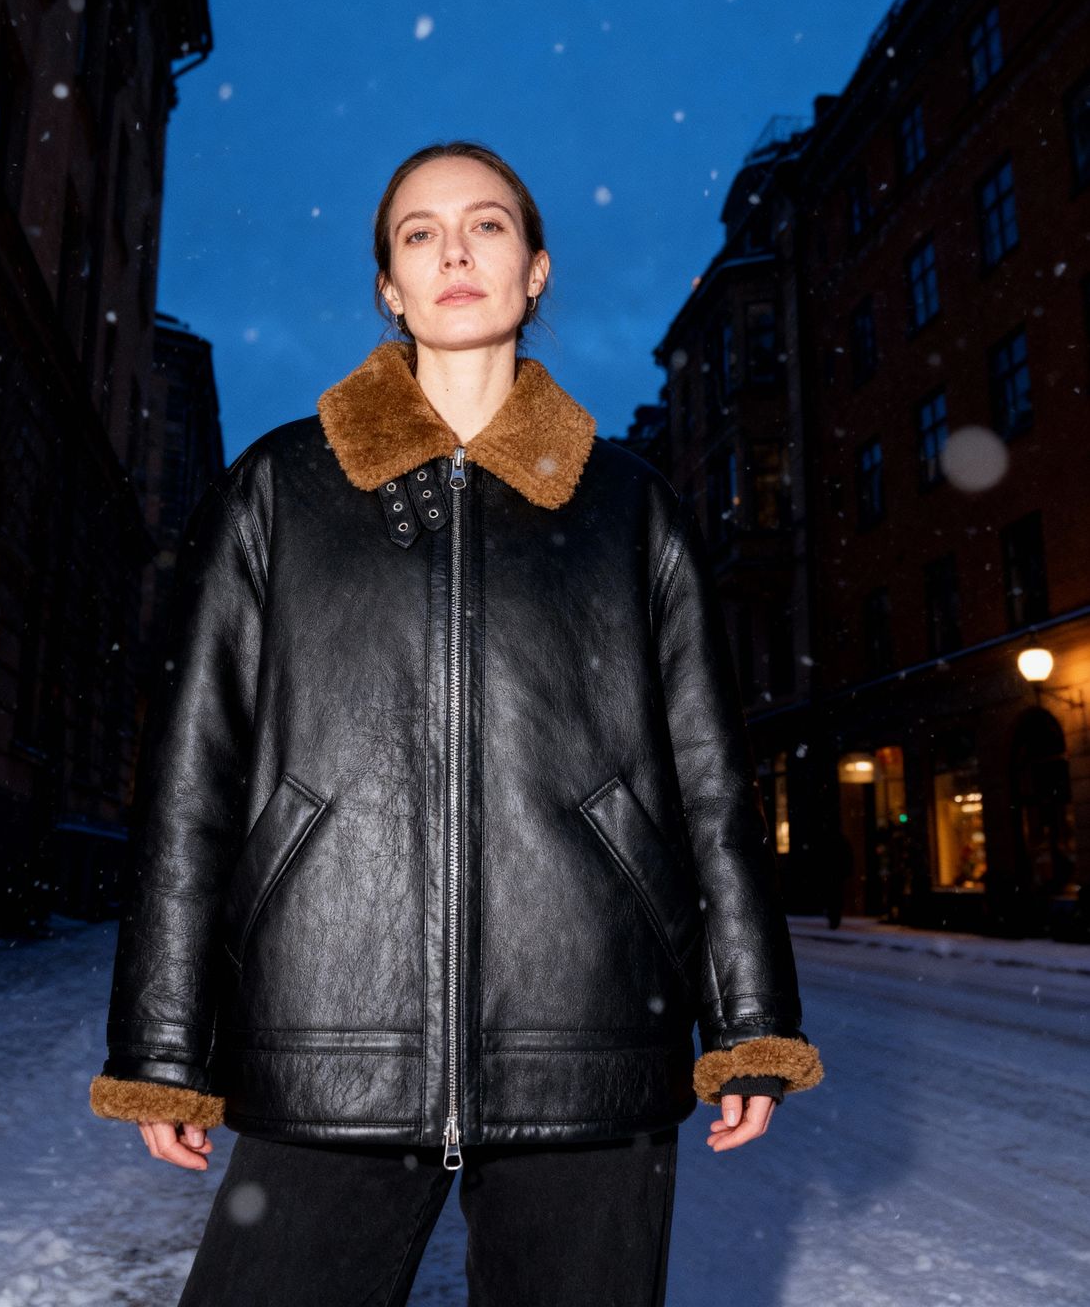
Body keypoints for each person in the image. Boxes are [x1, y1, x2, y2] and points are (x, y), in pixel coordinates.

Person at [89, 141, 825, 1305]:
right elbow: (194, 781)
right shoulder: (281, 490)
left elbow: (710, 784)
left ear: (535, 270)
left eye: (486, 226)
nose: (454, 251)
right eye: (419, 232)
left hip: (591, 1029)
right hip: (328, 1030)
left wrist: (748, 1016)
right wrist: (163, 1045)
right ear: (389, 283)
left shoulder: (629, 508)